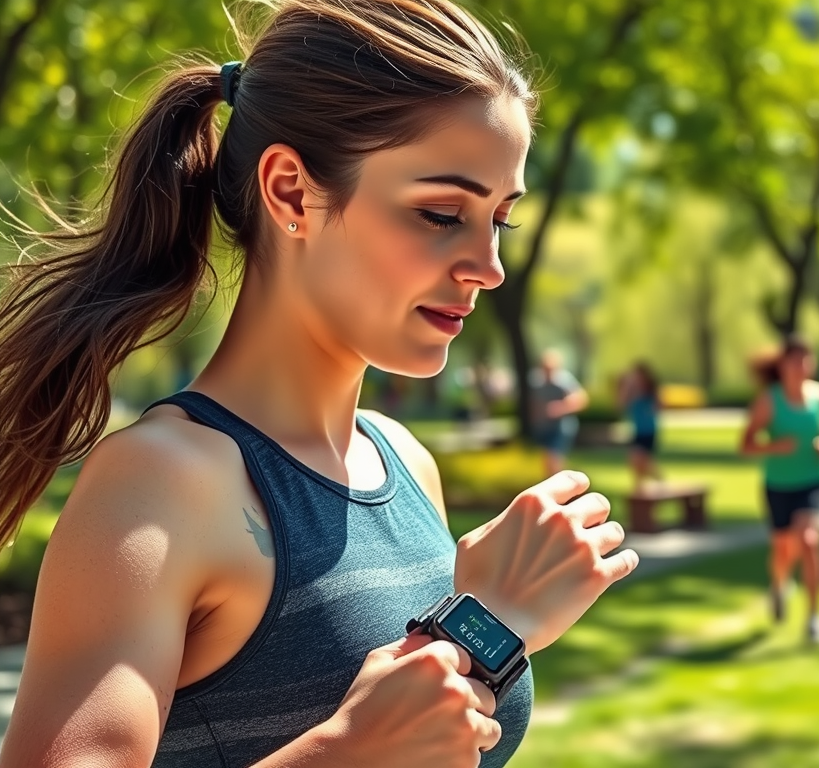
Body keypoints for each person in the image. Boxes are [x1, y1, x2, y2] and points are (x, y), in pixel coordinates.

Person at [0, 3, 640, 767]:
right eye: (441, 213)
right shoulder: (161, 486)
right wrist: (347, 749)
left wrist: (483, 623)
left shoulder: (405, 463)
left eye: (500, 220)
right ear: (292, 193)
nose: (488, 266)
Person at [740, 336, 819, 644]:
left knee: (810, 542)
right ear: (783, 365)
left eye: (805, 360)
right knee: (784, 550)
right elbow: (745, 444)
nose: (800, 367)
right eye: (794, 361)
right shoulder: (768, 401)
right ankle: (778, 584)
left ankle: (814, 617)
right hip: (777, 486)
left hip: (811, 482)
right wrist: (774, 446)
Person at [529, 349, 589, 476]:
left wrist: (560, 408)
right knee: (547, 464)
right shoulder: (536, 382)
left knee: (554, 459)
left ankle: (565, 486)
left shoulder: (563, 380)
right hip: (545, 427)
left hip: (561, 427)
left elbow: (581, 399)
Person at [618, 361, 662, 490]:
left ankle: (658, 480)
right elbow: (621, 405)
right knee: (635, 461)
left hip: (649, 430)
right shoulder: (633, 393)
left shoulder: (650, 392)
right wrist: (627, 387)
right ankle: (640, 487)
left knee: (640, 459)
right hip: (637, 431)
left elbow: (658, 407)